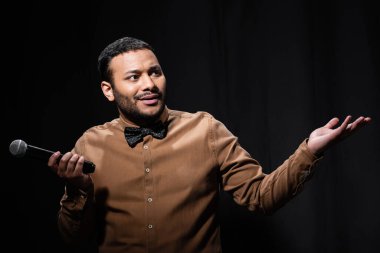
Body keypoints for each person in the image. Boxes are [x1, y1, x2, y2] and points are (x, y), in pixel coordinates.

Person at [48, 36, 371, 253]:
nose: (149, 84)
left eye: (155, 72)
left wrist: (310, 150)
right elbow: (72, 241)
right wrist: (78, 192)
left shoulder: (205, 129)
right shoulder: (91, 143)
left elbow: (262, 197)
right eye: (133, 77)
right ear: (108, 90)